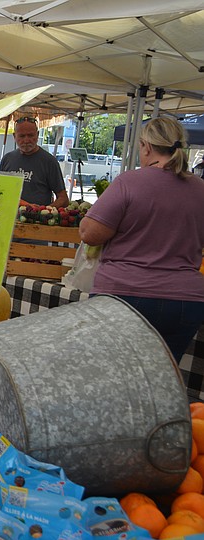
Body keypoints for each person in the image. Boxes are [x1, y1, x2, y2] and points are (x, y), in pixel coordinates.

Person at [80, 116, 204, 362]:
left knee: (115, 375)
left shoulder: (130, 182)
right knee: (165, 379)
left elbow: (90, 234)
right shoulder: (200, 188)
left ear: (146, 146)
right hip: (185, 300)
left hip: (125, 296)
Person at [0, 117, 69, 208]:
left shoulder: (49, 161)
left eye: (31, 135)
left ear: (38, 135)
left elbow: (63, 199)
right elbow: (0, 192)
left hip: (36, 221)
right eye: (22, 136)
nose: (26, 140)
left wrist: (44, 211)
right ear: (14, 136)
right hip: (8, 219)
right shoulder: (7, 159)